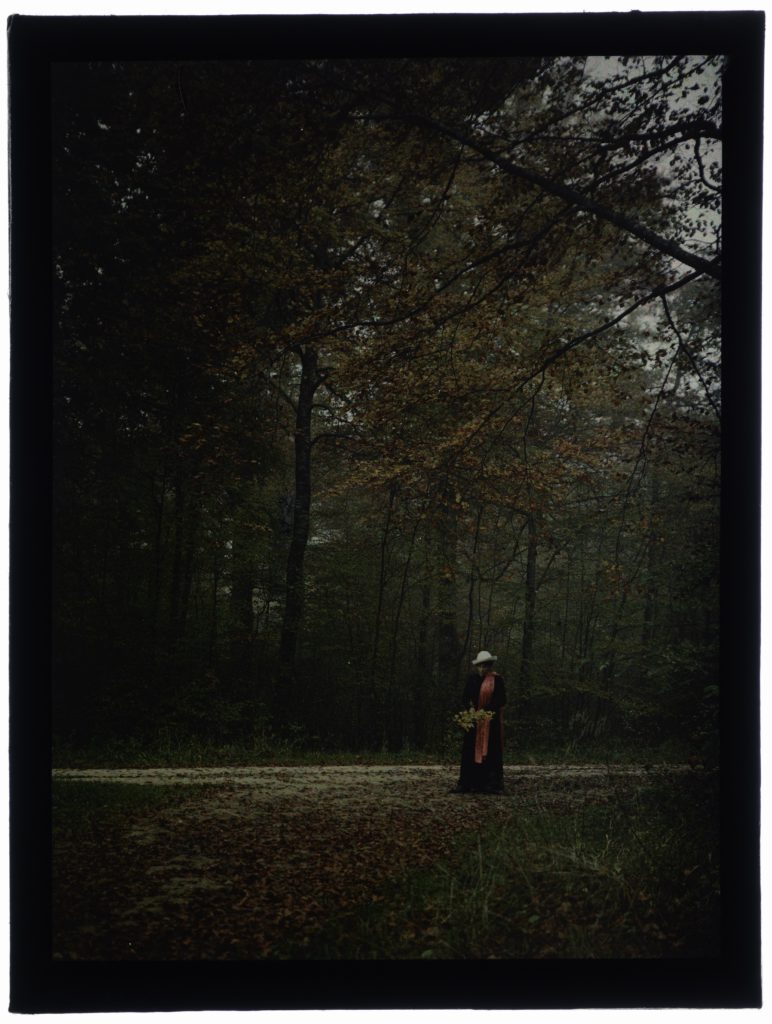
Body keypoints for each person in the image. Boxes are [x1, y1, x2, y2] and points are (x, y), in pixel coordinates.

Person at [452, 650, 506, 794]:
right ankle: (466, 783)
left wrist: (486, 711)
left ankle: (490, 784)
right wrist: (470, 710)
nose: (483, 669)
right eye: (480, 666)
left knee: (491, 752)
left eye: (485, 666)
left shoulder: (497, 680)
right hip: (474, 721)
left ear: (490, 666)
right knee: (469, 751)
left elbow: (501, 700)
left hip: (490, 721)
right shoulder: (472, 679)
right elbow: (465, 697)